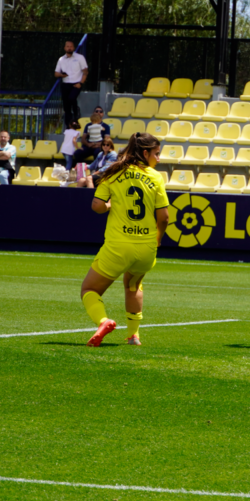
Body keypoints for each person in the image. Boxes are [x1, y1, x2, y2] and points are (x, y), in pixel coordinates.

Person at [80, 132, 169, 347]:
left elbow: (96, 206)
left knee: (89, 289)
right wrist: (158, 239)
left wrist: (109, 205)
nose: (159, 158)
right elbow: (164, 217)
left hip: (118, 246)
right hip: (146, 248)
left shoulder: (113, 172)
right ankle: (133, 336)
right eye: (156, 154)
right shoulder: (156, 177)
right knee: (133, 286)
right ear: (145, 153)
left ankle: (103, 321)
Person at [54, 41, 88, 127]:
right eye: (67, 46)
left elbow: (85, 72)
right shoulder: (61, 59)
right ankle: (68, 124)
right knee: (66, 105)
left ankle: (76, 114)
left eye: (71, 46)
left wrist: (81, 83)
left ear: (74, 47)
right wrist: (61, 75)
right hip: (65, 84)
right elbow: (56, 73)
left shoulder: (80, 57)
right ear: (64, 48)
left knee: (72, 98)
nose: (69, 48)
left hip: (76, 83)